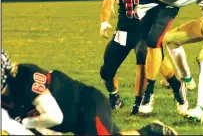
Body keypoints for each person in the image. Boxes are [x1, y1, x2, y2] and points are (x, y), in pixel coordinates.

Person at [1, 49, 178, 135]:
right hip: (70, 121)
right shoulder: (5, 97)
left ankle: (150, 131)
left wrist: (23, 122)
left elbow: (55, 116)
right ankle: (150, 131)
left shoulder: (25, 77)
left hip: (86, 106)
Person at [99, 0, 147, 114]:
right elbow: (108, 0)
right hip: (124, 31)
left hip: (144, 31)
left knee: (144, 62)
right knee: (107, 70)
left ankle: (143, 99)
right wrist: (104, 22)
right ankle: (115, 98)